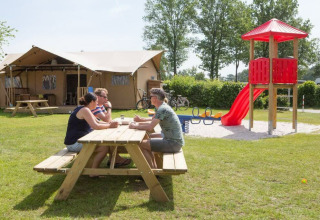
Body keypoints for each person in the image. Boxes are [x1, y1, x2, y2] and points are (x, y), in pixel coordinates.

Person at [129, 88, 184, 168]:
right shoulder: (162, 107)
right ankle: (153, 168)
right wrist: (141, 120)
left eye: (150, 96)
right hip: (173, 140)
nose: (149, 98)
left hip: (173, 143)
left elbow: (150, 127)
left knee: (140, 144)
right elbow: (153, 120)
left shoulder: (162, 109)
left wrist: (135, 126)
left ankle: (151, 171)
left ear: (155, 98)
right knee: (148, 139)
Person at [64, 92, 119, 173]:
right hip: (74, 144)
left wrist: (110, 124)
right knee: (104, 147)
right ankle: (93, 172)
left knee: (104, 146)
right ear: (92, 102)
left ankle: (93, 171)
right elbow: (95, 126)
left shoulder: (85, 109)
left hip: (76, 142)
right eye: (96, 102)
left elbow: (98, 122)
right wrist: (110, 126)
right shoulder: (84, 110)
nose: (97, 104)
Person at [92, 88, 131, 167]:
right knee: (110, 139)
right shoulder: (95, 106)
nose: (106, 99)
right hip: (93, 132)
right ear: (97, 97)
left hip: (98, 129)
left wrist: (108, 113)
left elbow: (108, 120)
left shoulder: (100, 106)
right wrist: (109, 107)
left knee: (112, 138)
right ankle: (116, 159)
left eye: (106, 97)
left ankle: (114, 159)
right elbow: (107, 120)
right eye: (104, 97)